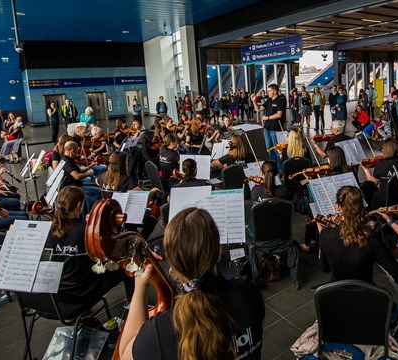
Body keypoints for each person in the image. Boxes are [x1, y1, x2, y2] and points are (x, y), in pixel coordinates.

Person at [118, 207, 265, 360]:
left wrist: (140, 286)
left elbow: (124, 355)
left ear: (170, 260)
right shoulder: (248, 292)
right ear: (218, 250)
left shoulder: (160, 332)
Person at [46, 186, 133, 303]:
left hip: (60, 291)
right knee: (127, 266)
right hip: (86, 290)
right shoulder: (86, 232)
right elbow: (107, 256)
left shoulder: (50, 230)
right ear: (79, 206)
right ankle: (132, 304)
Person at [319, 186, 398, 287]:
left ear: (338, 207)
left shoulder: (325, 234)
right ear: (362, 208)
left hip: (336, 294)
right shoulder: (372, 240)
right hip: (366, 296)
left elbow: (325, 268)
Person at [360, 139, 398, 210]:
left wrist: (366, 169)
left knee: (366, 187)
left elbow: (371, 184)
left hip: (385, 201)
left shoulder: (381, 165)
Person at [253, 84, 285, 170]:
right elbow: (258, 109)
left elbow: (279, 114)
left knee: (277, 150)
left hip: (275, 129)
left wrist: (267, 117)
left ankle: (280, 168)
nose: (268, 93)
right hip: (267, 128)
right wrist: (254, 101)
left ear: (274, 91)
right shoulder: (269, 100)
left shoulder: (280, 100)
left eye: (269, 91)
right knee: (269, 149)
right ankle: (274, 167)